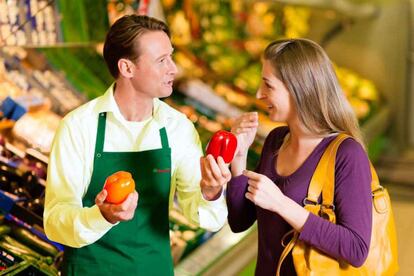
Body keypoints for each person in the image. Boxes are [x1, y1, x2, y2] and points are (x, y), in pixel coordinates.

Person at [44, 15, 227, 275]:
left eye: (171, 57)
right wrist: (102, 216)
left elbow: (209, 219)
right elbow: (54, 221)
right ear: (127, 68)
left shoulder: (178, 128)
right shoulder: (78, 127)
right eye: (161, 60)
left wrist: (211, 193)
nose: (173, 68)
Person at [202, 38, 373, 275]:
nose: (259, 94)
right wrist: (239, 157)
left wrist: (281, 203)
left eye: (268, 85)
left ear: (298, 87)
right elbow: (240, 221)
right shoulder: (276, 140)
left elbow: (356, 249)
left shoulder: (346, 154)